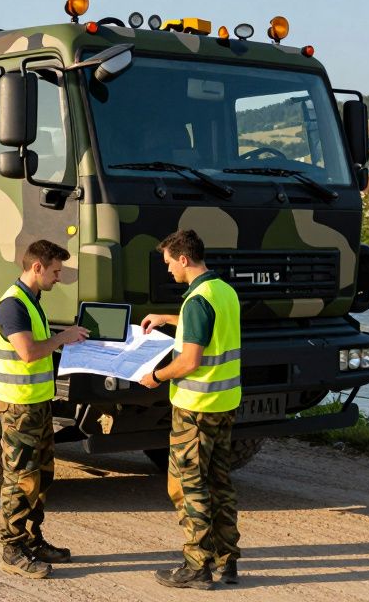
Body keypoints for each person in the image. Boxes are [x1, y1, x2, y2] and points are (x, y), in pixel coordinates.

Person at [139, 229, 242, 589]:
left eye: (169, 263)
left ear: (184, 259)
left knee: (188, 486)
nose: (168, 271)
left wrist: (156, 375)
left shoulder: (196, 301)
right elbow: (209, 332)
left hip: (195, 410)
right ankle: (227, 562)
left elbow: (190, 360)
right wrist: (168, 319)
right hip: (223, 404)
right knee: (219, 483)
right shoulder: (222, 291)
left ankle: (196, 566)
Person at [0, 239, 88, 578]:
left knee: (42, 477)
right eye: (56, 271)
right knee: (20, 480)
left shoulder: (32, 302)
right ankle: (12, 549)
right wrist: (63, 338)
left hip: (36, 406)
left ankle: (32, 540)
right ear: (37, 267)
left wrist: (67, 340)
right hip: (19, 408)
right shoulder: (12, 306)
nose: (58, 278)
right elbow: (29, 352)